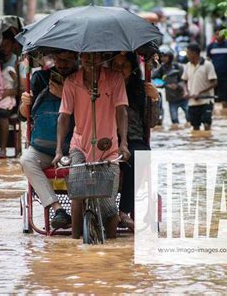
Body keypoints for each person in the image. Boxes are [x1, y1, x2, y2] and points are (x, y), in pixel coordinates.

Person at [54, 52, 131, 239]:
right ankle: (75, 241)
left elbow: (122, 111)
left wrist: (123, 143)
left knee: (110, 206)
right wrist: (58, 150)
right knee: (78, 193)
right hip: (80, 146)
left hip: (109, 149)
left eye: (95, 56)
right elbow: (64, 116)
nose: (90, 60)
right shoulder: (71, 82)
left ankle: (112, 245)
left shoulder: (115, 79)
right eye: (86, 56)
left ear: (103, 57)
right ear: (81, 57)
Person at [19, 51, 78, 229]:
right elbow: (24, 116)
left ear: (76, 59)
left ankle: (80, 211)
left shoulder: (83, 80)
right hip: (42, 147)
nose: (63, 63)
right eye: (60, 59)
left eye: (68, 59)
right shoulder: (40, 78)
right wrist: (25, 103)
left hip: (74, 146)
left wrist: (64, 97)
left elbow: (88, 117)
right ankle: (58, 208)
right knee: (26, 160)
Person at [111, 52, 154, 230]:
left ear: (133, 68)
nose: (120, 70)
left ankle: (124, 211)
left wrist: (154, 99)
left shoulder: (141, 90)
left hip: (134, 139)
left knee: (139, 157)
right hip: (108, 137)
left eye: (125, 66)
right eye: (116, 65)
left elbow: (151, 122)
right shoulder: (103, 85)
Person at [0, 31, 22, 158]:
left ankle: (2, 149)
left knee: (2, 114)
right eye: (2, 45)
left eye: (6, 45)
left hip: (10, 99)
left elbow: (20, 87)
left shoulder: (17, 62)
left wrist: (7, 93)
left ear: (13, 45)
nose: (4, 48)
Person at [182, 43, 217, 131]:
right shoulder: (187, 66)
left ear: (194, 53)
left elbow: (214, 82)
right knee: (195, 127)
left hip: (206, 101)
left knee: (207, 125)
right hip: (192, 102)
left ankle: (207, 143)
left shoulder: (207, 65)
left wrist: (199, 92)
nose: (187, 56)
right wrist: (186, 92)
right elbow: (184, 81)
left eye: (188, 53)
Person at [153, 49, 189, 130]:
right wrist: (165, 85)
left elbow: (184, 80)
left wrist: (177, 86)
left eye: (166, 56)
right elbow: (154, 79)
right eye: (162, 57)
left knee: (189, 118)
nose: (163, 58)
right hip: (171, 99)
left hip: (182, 97)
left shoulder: (178, 67)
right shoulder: (162, 68)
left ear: (170, 57)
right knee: (174, 120)